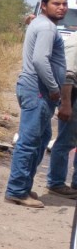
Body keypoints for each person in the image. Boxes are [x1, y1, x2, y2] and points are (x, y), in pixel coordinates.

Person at [5, 0, 69, 207]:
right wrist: (53, 88)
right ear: (43, 5)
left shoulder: (41, 24)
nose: (61, 7)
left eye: (64, 3)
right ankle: (16, 191)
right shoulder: (46, 28)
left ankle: (23, 186)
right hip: (38, 90)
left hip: (36, 90)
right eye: (56, 3)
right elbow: (41, 60)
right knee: (29, 142)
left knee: (41, 140)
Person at [47, 31, 77, 196]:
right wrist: (65, 103)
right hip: (73, 96)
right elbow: (67, 74)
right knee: (66, 142)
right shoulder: (75, 40)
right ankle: (56, 183)